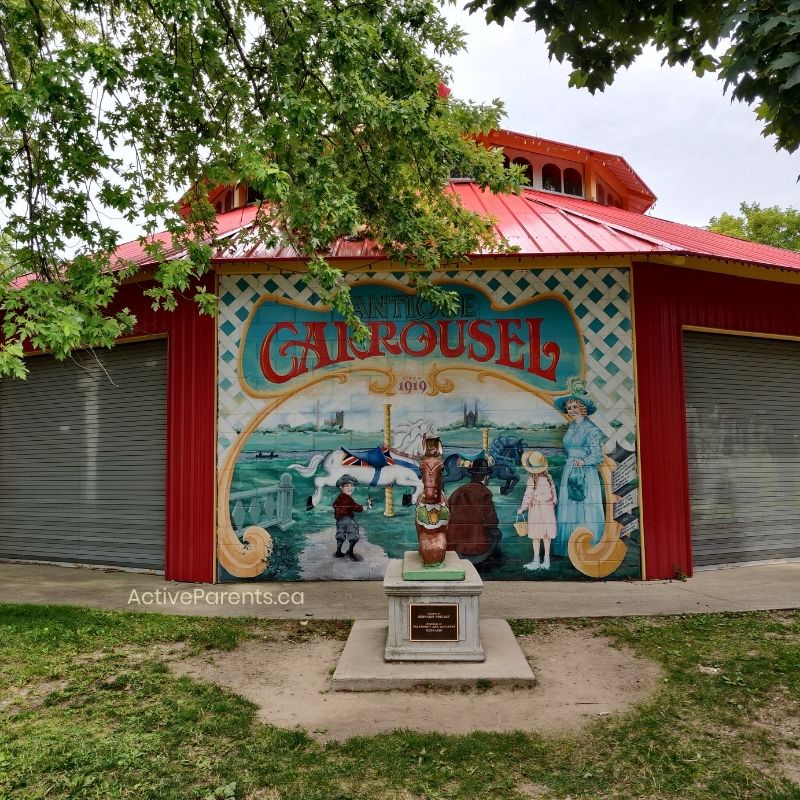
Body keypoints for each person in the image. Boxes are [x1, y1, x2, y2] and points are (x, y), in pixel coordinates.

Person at [552, 380, 605, 558]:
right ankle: (568, 548)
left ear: (583, 409)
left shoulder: (591, 430)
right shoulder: (573, 426)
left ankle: (588, 548)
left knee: (584, 509)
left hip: (584, 473)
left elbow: (598, 456)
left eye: (575, 406)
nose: (572, 410)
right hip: (570, 469)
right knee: (569, 508)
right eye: (569, 407)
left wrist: (583, 461)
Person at [446, 458, 502, 565]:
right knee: (497, 533)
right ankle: (481, 560)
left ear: (472, 475)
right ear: (486, 477)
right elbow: (492, 522)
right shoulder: (485, 493)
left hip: (452, 546)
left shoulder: (458, 491)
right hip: (473, 549)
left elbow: (446, 514)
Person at [517, 450, 557, 570]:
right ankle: (547, 561)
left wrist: (522, 508)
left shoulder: (532, 480)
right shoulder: (549, 478)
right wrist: (552, 503)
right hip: (548, 509)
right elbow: (554, 494)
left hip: (537, 510)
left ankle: (536, 561)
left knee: (536, 536)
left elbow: (528, 496)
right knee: (546, 536)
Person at [332, 474, 371, 561]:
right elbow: (354, 506)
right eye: (347, 486)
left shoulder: (340, 497)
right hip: (347, 519)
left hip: (339, 520)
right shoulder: (346, 498)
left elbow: (335, 505)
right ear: (341, 487)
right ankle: (350, 551)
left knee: (340, 535)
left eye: (352, 485)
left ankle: (338, 551)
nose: (350, 488)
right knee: (354, 534)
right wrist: (363, 507)